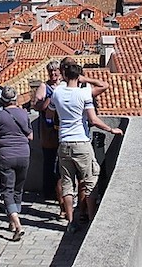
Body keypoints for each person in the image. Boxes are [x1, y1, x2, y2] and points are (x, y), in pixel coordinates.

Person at [51, 61, 121, 232]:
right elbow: (93, 119)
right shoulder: (84, 94)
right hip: (81, 142)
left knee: (67, 184)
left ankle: (70, 222)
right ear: (79, 76)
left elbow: (50, 110)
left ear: (65, 75)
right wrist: (111, 129)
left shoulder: (57, 92)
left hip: (64, 142)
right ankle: (90, 219)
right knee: (90, 181)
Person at [0, 85, 32, 241]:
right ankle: (13, 222)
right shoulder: (23, 113)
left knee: (7, 190)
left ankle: (17, 224)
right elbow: (31, 135)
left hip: (6, 155)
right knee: (18, 189)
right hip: (24, 154)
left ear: (2, 100)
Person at [33, 61, 63, 203]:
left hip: (63, 129)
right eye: (51, 72)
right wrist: (48, 103)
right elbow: (36, 105)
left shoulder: (64, 86)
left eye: (55, 71)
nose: (53, 74)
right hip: (48, 130)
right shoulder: (44, 87)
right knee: (49, 161)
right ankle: (49, 191)